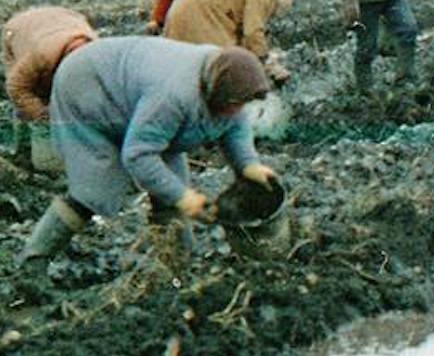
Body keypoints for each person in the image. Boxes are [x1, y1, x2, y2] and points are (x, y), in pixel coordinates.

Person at [20, 39, 278, 263]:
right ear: (216, 92)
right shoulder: (173, 95)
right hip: (88, 87)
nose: (238, 109)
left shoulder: (229, 78)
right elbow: (138, 155)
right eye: (234, 104)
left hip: (136, 93)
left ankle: (178, 270)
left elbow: (235, 122)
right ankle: (34, 262)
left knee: (171, 186)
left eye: (242, 103)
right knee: (95, 190)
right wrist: (183, 197)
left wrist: (248, 164)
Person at [163, 0, 296, 85]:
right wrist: (267, 62)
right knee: (225, 65)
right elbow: (252, 32)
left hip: (186, 6)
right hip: (200, 12)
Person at [1, 6, 98, 123]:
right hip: (19, 28)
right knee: (26, 110)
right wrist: (43, 116)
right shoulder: (39, 56)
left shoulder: (99, 56)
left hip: (67, 18)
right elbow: (17, 87)